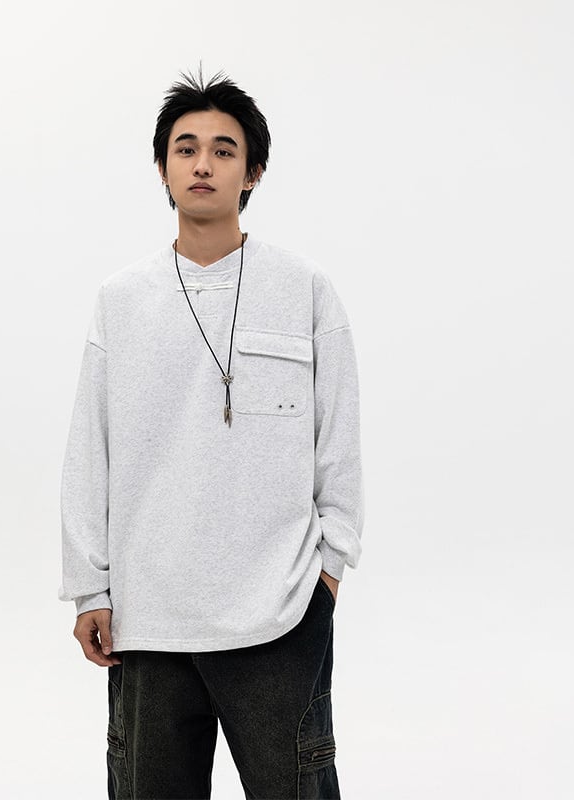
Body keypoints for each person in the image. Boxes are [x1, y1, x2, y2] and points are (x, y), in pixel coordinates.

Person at [59, 67, 365, 800]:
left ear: (252, 171)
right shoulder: (121, 300)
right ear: (163, 169)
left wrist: (328, 570)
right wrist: (89, 587)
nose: (203, 164)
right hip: (148, 618)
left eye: (224, 150)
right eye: (186, 148)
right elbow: (89, 450)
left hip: (280, 613)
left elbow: (339, 438)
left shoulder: (304, 287)